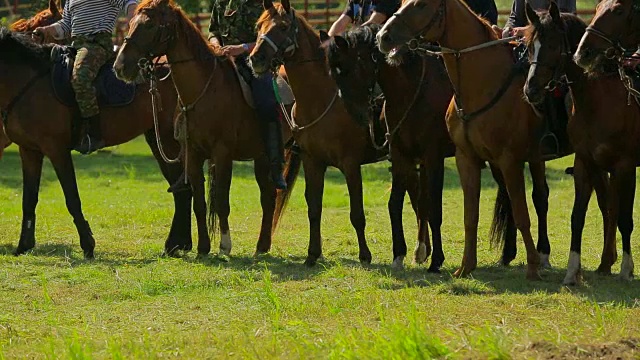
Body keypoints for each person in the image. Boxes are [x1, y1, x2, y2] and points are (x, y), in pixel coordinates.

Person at [33, 0, 137, 154]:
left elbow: (129, 3)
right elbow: (65, 27)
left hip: (97, 44)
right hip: (74, 45)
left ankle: (94, 134)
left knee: (80, 79)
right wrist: (46, 30)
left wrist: (132, 22)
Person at [209, 0, 287, 190]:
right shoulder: (221, 2)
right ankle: (187, 164)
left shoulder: (265, 3)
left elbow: (272, 37)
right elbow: (213, 31)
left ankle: (275, 166)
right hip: (222, 60)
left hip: (255, 62)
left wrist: (242, 48)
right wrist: (216, 45)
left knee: (268, 104)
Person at [502, 0, 576, 38]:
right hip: (527, 41)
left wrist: (528, 30)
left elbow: (563, 19)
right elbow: (515, 17)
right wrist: (508, 29)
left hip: (555, 43)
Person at [327, 0, 400, 38]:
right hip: (364, 45)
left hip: (386, 47)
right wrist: (327, 41)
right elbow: (341, 22)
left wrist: (351, 38)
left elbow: (374, 21)